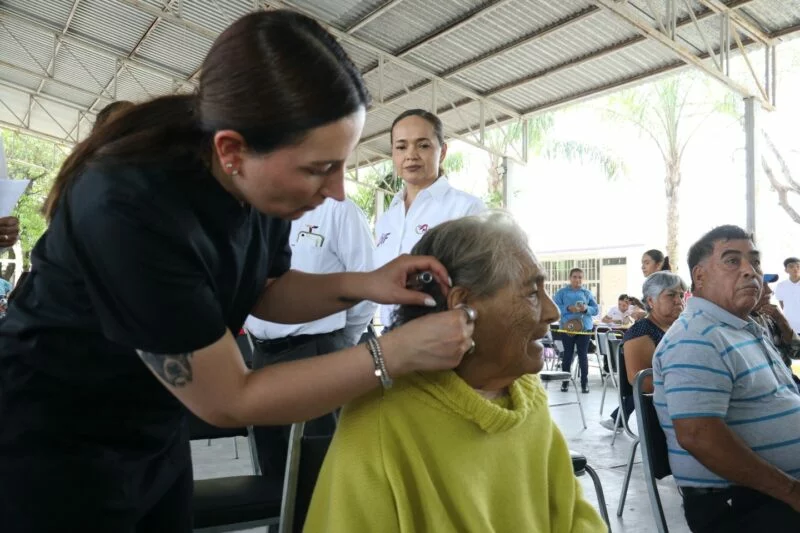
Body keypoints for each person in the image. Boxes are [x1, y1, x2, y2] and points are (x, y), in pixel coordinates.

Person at [0, 12, 475, 532]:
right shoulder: (128, 207)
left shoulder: (257, 191)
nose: (337, 191)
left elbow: (266, 289)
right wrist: (395, 355)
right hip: (52, 445)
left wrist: (366, 282)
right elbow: (230, 397)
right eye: (319, 168)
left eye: (341, 164)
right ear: (232, 150)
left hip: (153, 433)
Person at [304, 212, 607, 533]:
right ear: (463, 308)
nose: (552, 311)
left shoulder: (527, 397)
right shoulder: (381, 423)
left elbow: (574, 517)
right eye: (532, 292)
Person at [653, 225, 800, 532]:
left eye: (755, 262)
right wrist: (792, 492)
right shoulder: (696, 336)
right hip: (746, 505)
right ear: (700, 276)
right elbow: (699, 436)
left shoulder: (742, 329)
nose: (750, 271)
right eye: (732, 261)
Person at [244, 196, 377, 476]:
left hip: (316, 353)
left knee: (318, 469)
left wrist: (340, 343)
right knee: (272, 469)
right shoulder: (255, 209)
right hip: (262, 358)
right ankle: (281, 522)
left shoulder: (339, 211)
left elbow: (368, 287)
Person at [374, 108, 485, 329]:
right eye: (401, 147)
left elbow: (481, 282)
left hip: (443, 333)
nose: (411, 155)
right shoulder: (387, 218)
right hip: (390, 335)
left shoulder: (466, 209)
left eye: (423, 145)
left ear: (442, 152)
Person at [599, 271, 685, 432]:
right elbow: (644, 383)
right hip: (664, 414)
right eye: (671, 295)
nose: (679, 301)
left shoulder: (676, 327)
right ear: (651, 301)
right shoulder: (642, 332)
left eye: (681, 295)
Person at [553, 268, 599, 393]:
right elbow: (554, 308)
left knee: (582, 355)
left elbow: (596, 310)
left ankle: (584, 383)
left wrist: (585, 309)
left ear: (582, 279)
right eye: (575, 277)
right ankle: (565, 382)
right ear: (570, 278)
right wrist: (568, 308)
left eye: (580, 277)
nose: (577, 279)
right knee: (567, 355)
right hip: (567, 328)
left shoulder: (587, 293)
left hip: (585, 329)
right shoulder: (561, 292)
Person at [752, 274, 800, 383]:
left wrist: (782, 321)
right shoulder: (739, 323)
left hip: (790, 383)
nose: (769, 291)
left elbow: (797, 354)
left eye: (768, 285)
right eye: (761, 286)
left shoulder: (770, 318)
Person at [775, 257, 800, 334]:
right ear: (786, 270)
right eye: (791, 266)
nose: (795, 269)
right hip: (791, 329)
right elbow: (782, 305)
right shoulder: (780, 286)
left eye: (798, 266)